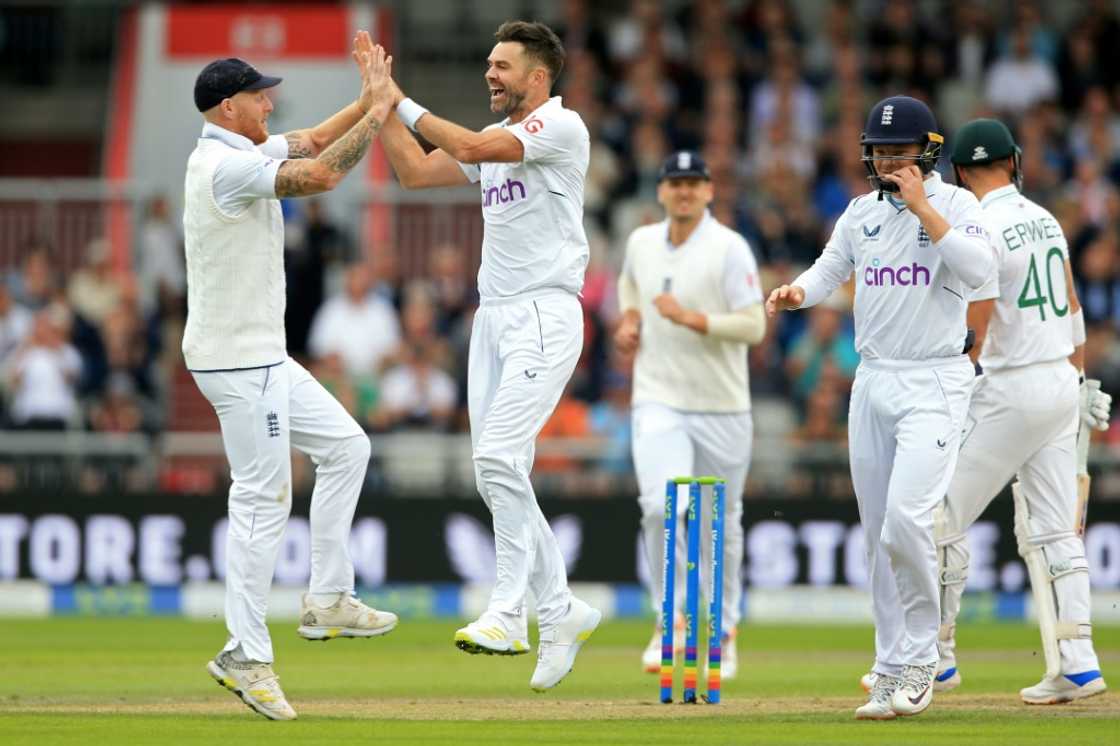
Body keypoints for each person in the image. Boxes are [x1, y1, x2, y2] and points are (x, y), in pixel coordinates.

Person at [377, 20, 601, 692]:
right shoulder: (498, 141)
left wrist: (401, 97)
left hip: (545, 313)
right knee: (499, 468)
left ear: (539, 76)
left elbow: (473, 143)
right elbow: (416, 172)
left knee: (497, 458)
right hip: (494, 318)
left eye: (502, 66)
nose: (490, 74)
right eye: (488, 63)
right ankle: (560, 610)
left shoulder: (559, 128)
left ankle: (510, 612)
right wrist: (379, 106)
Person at [184, 35, 399, 721]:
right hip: (237, 360)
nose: (269, 102)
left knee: (347, 447)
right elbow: (323, 176)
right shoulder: (222, 166)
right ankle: (244, 654)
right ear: (227, 107)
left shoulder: (241, 151)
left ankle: (328, 598)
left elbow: (306, 142)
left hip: (263, 354)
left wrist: (368, 98)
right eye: (257, 95)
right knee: (262, 498)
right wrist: (381, 115)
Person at [766, 96, 994, 720]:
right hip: (874, 381)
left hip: (936, 380)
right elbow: (827, 270)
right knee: (876, 537)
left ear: (927, 152)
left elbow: (978, 269)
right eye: (880, 150)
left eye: (899, 150)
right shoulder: (860, 212)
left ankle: (924, 656)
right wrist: (796, 293)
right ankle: (889, 664)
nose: (888, 159)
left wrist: (923, 205)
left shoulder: (956, 204)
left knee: (906, 522)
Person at [928, 118, 1110, 704]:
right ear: (1014, 162)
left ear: (959, 171)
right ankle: (1078, 663)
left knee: (937, 519)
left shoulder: (978, 223)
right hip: (1060, 378)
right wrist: (1081, 380)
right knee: (1058, 530)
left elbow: (976, 323)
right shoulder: (1046, 217)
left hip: (1009, 386)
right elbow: (1074, 304)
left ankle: (937, 656)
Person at [614, 151, 764, 680]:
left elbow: (754, 327)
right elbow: (629, 286)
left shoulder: (730, 249)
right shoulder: (640, 242)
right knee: (659, 506)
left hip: (723, 406)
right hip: (658, 398)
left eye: (692, 183)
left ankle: (722, 628)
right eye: (674, 183)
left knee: (718, 522)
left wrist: (692, 319)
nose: (682, 191)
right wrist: (630, 319)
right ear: (661, 192)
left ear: (709, 191)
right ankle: (669, 620)